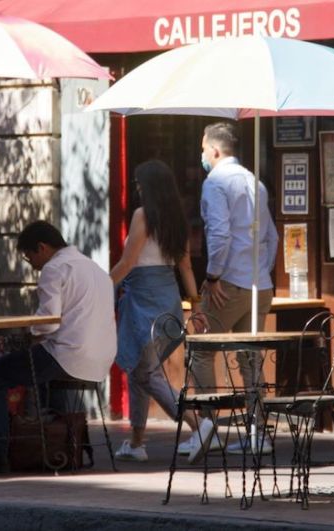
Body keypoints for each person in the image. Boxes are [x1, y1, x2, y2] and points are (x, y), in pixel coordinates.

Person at [0, 221, 115, 474]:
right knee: (34, 371)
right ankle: (57, 447)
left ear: (42, 248)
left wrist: (28, 331)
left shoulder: (54, 268)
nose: (31, 264)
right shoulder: (95, 268)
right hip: (100, 357)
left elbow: (48, 322)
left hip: (67, 354)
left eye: (29, 256)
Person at [187, 121, 278, 463]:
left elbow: (220, 236)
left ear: (214, 150)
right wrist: (261, 272)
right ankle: (259, 432)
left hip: (228, 283)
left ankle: (208, 427)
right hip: (259, 284)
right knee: (250, 357)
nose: (201, 155)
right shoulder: (256, 181)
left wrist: (213, 277)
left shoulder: (216, 182)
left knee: (201, 350)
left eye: (202, 148)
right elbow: (272, 236)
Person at [110, 160, 200, 462]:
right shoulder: (176, 219)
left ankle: (199, 425)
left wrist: (98, 286)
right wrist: (196, 303)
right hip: (169, 297)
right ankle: (136, 442)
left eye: (138, 184)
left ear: (146, 187)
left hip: (143, 297)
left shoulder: (142, 215)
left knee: (145, 372)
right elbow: (185, 265)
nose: (136, 188)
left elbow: (127, 262)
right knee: (139, 370)